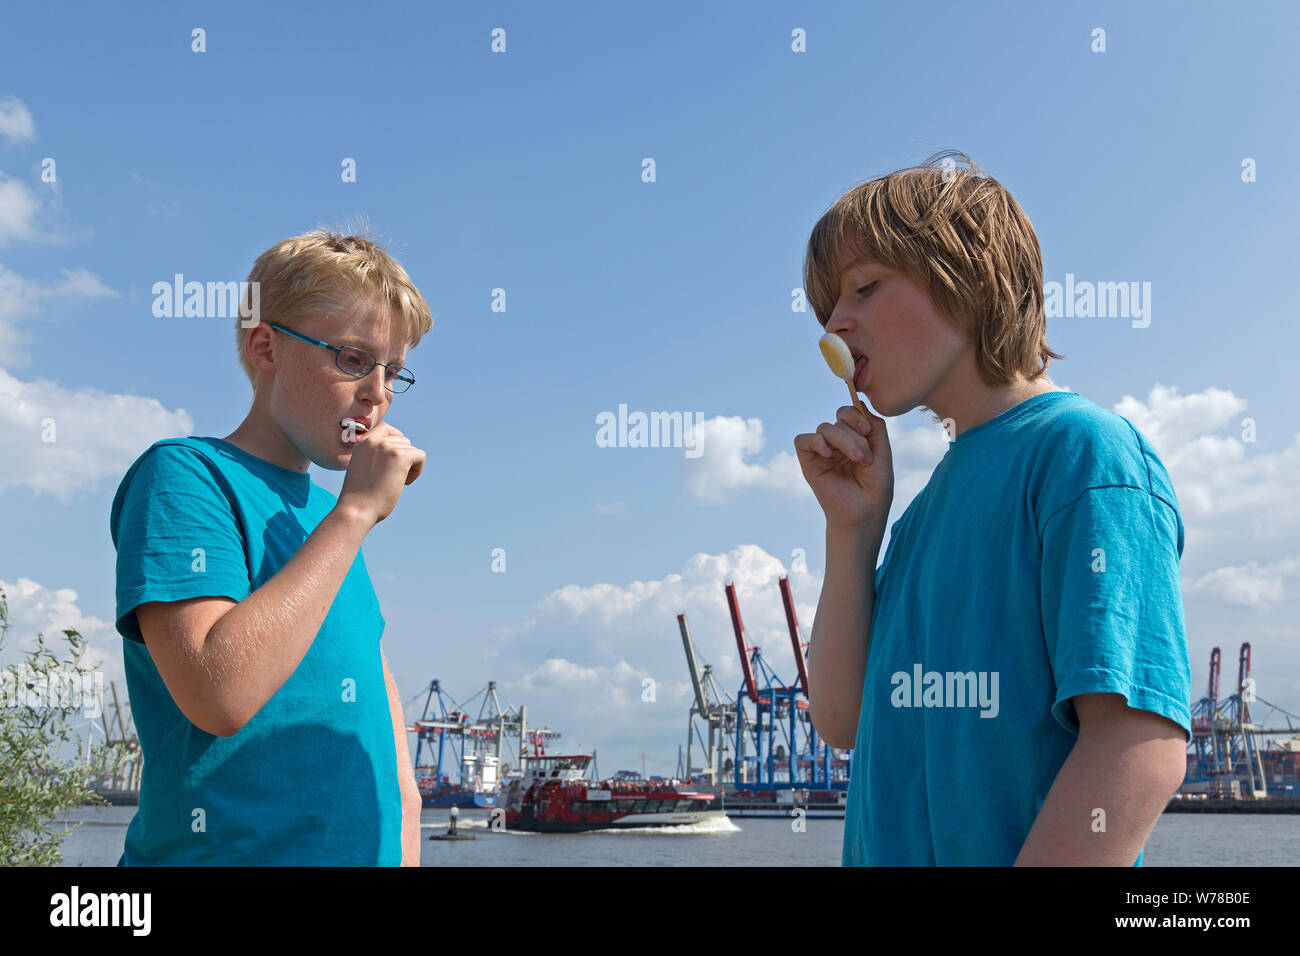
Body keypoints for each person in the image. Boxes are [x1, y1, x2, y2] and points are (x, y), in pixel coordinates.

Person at [796, 152, 1191, 866]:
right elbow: (841, 720)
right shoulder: (919, 513)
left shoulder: (1085, 455)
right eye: (829, 304)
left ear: (971, 277)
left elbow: (1139, 746)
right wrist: (852, 533)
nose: (834, 320)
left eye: (864, 287)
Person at [110, 229, 431, 865]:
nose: (378, 391)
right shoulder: (186, 476)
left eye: (393, 370)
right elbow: (219, 693)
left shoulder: (328, 513)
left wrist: (409, 825)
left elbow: (372, 687)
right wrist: (358, 512)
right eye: (351, 359)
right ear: (265, 347)